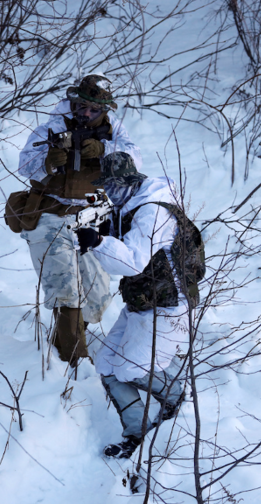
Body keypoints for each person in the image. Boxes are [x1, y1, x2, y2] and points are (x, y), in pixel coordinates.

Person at [76, 151, 194, 459]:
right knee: (107, 367)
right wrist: (102, 230)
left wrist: (98, 242)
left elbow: (134, 262)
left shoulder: (152, 212)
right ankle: (137, 433)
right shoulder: (131, 204)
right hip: (143, 302)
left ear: (132, 182)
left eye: (115, 186)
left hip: (168, 306)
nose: (110, 193)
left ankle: (176, 396)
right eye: (107, 187)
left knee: (130, 370)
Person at [17, 75, 141, 365]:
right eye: (80, 106)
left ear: (105, 110)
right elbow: (24, 163)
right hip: (50, 213)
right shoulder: (54, 126)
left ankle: (63, 341)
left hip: (90, 217)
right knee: (65, 289)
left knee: (97, 294)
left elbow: (135, 160)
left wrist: (105, 151)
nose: (85, 113)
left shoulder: (114, 131)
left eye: (94, 109)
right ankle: (75, 360)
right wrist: (48, 161)